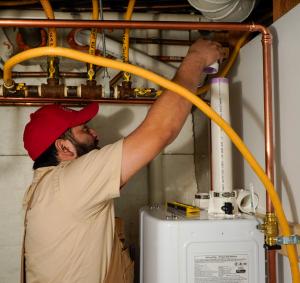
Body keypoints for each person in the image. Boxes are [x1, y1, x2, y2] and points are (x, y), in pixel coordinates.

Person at [22, 39, 223, 283]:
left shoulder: (47, 190)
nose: (95, 134)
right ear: (63, 146)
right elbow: (159, 131)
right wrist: (196, 58)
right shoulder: (67, 183)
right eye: (85, 129)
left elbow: (135, 157)